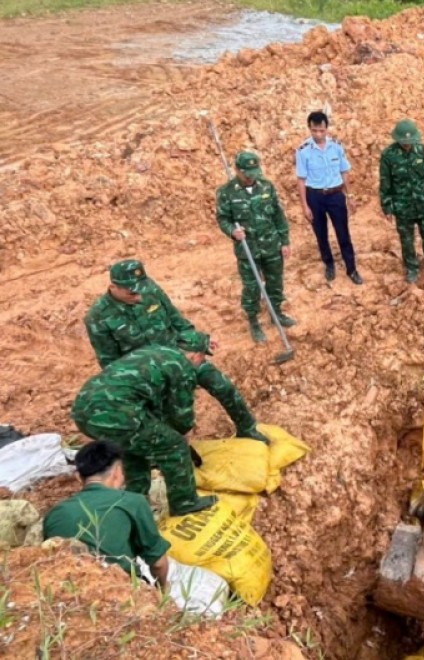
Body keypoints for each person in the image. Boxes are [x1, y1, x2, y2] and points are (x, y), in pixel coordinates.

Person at [84, 259, 268, 444]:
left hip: (180, 357)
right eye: (132, 293)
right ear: (113, 287)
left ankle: (247, 428)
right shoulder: (98, 317)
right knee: (169, 423)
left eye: (141, 289)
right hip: (150, 377)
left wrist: (198, 341)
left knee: (223, 386)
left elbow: (178, 321)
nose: (140, 296)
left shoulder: (149, 290)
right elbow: (111, 365)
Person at [70, 334, 219, 517]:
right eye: (202, 358)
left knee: (135, 447)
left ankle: (136, 498)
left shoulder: (155, 351)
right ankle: (184, 502)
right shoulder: (182, 366)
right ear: (195, 355)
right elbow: (182, 416)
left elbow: (152, 402)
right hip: (115, 413)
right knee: (174, 445)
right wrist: (180, 435)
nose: (201, 363)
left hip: (82, 411)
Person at [43, 441, 171, 589]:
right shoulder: (132, 501)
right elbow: (158, 563)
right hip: (119, 589)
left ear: (78, 477)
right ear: (118, 471)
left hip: (68, 592)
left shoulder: (54, 512)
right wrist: (162, 589)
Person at [216, 150, 296, 343]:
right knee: (252, 288)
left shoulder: (267, 186)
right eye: (248, 174)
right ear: (238, 171)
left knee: (275, 282)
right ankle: (253, 321)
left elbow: (278, 215)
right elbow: (223, 218)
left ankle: (276, 313)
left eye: (254, 173)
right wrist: (232, 232)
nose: (252, 178)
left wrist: (284, 241)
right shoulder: (226, 192)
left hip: (271, 244)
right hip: (247, 249)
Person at [295, 111, 362, 285]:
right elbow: (301, 180)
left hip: (335, 196)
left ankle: (351, 268)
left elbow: (344, 172)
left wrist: (350, 196)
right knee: (321, 234)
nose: (318, 134)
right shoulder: (303, 151)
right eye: (314, 130)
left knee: (343, 233)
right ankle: (329, 264)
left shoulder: (337, 147)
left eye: (321, 130)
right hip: (315, 197)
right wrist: (304, 206)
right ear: (309, 128)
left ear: (327, 129)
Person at [380, 119, 424, 283]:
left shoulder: (420, 150)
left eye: (410, 142)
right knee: (407, 242)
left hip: (423, 204)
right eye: (404, 142)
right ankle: (412, 269)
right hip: (403, 207)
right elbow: (385, 182)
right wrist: (387, 206)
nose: (407, 145)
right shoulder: (388, 156)